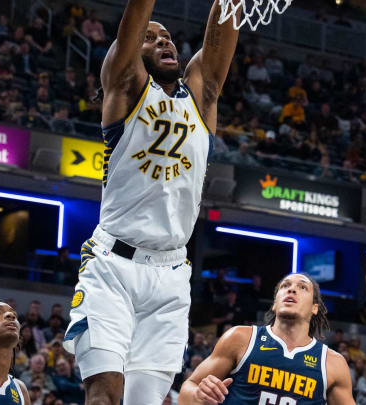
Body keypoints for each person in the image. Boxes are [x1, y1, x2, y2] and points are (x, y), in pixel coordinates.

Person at [63, 0, 240, 403]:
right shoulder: (125, 86)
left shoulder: (200, 97)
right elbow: (137, 14)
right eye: (151, 37)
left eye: (169, 38)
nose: (165, 42)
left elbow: (221, 37)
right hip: (112, 267)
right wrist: (140, 24)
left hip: (172, 274)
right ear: (132, 50)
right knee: (105, 394)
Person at [179, 273, 354, 404]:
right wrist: (198, 395)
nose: (291, 289)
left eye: (302, 287)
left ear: (315, 308)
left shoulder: (332, 363)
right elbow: (187, 390)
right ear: (275, 303)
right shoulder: (240, 338)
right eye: (285, 286)